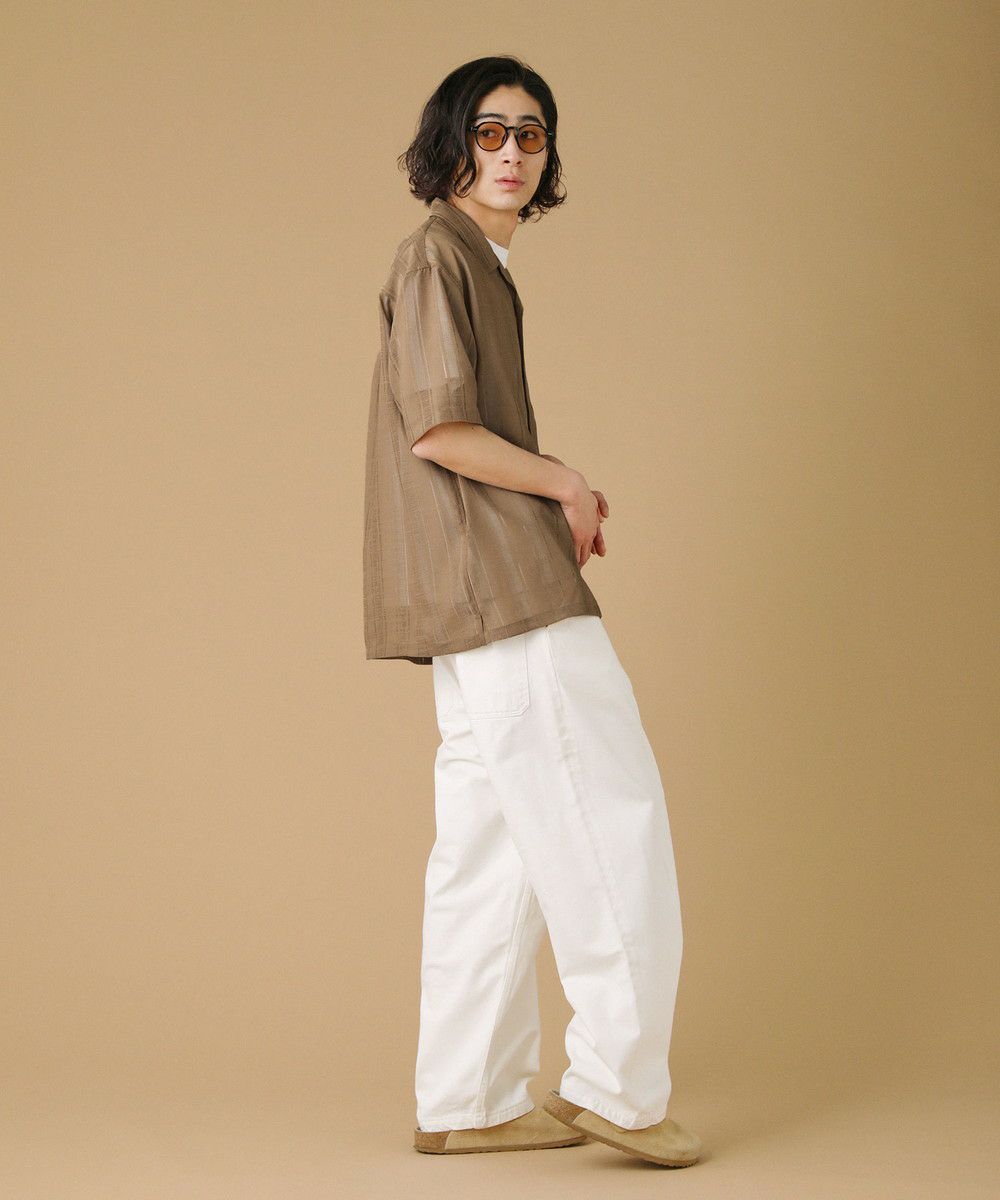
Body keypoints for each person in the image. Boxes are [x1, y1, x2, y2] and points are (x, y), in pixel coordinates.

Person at [362, 54, 703, 1168]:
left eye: (531, 135)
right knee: (611, 820)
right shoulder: (438, 256)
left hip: (472, 599)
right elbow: (438, 429)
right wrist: (565, 483)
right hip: (503, 591)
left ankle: (467, 1098)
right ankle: (622, 1092)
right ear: (449, 143)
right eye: (489, 131)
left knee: (494, 849)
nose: (511, 153)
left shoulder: (471, 262)